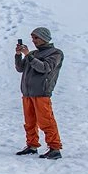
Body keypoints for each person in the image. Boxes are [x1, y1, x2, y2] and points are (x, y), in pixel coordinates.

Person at [15, 27, 64, 159]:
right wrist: (18, 55)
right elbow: (20, 68)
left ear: (44, 38)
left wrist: (28, 55)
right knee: (29, 122)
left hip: (41, 92)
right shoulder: (34, 53)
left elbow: (45, 68)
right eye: (32, 38)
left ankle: (54, 148)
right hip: (27, 93)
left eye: (36, 38)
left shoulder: (56, 53)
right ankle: (32, 146)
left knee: (46, 121)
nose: (33, 40)